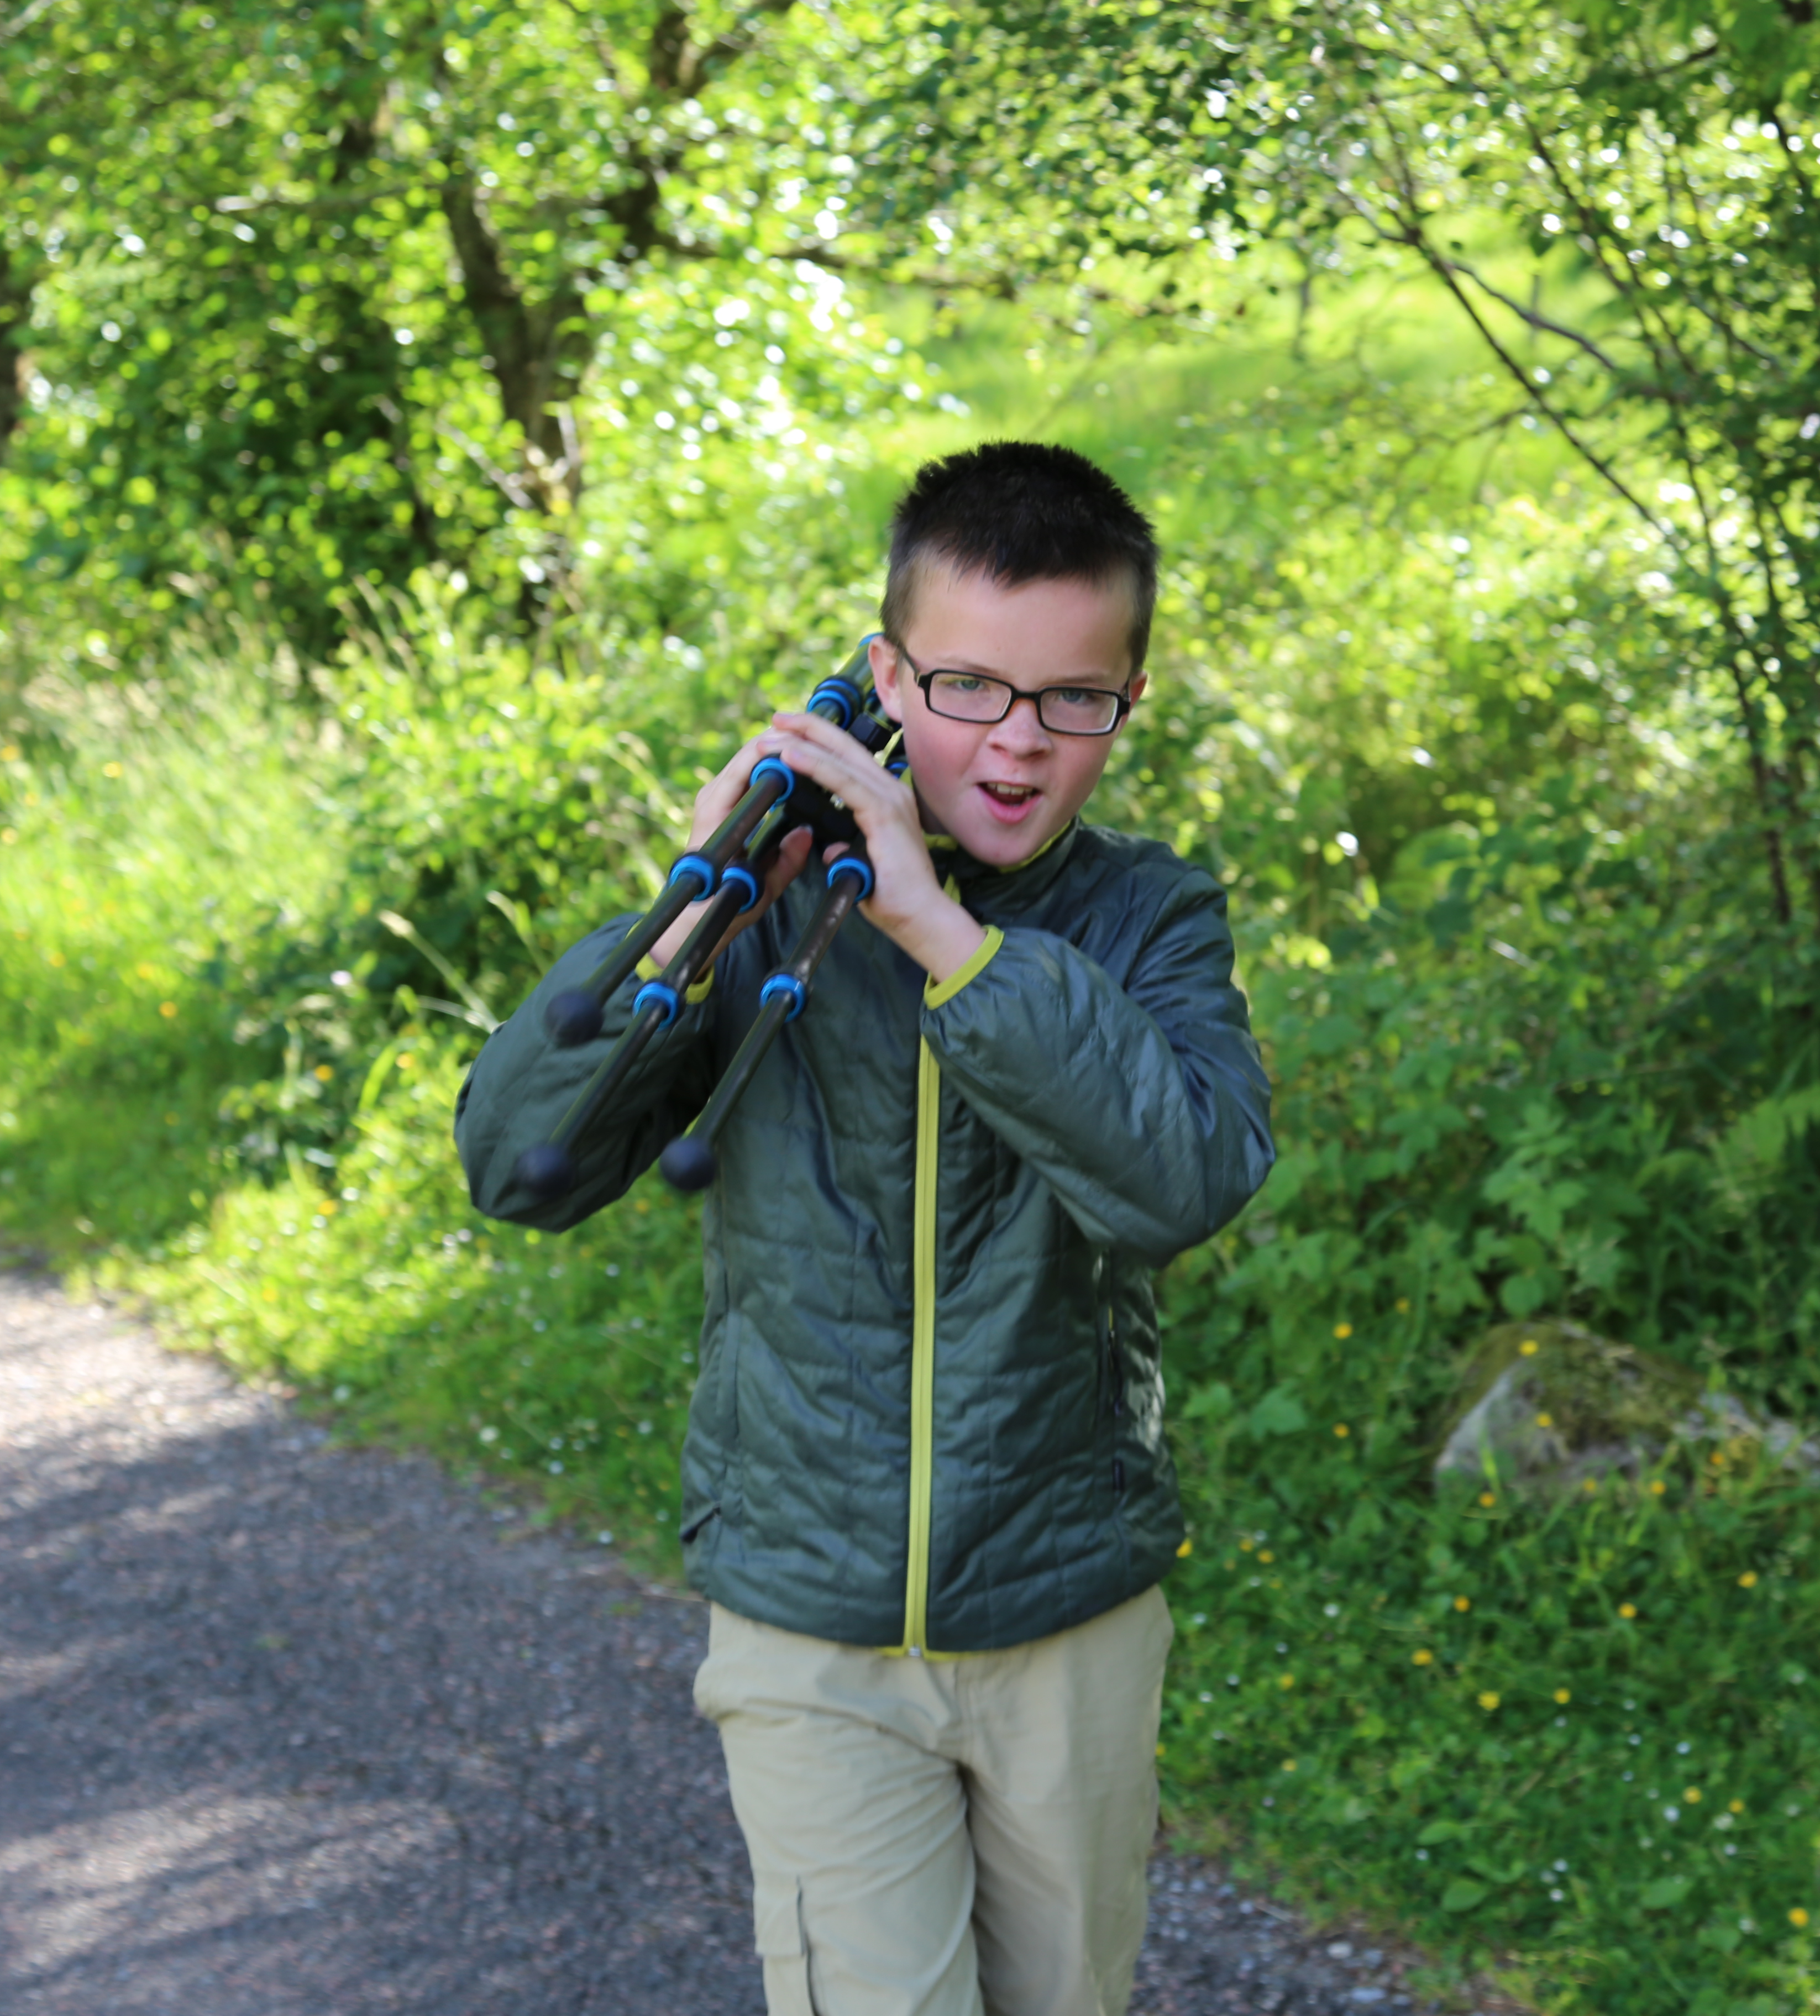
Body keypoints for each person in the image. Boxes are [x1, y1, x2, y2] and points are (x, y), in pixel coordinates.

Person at [455, 440, 1274, 2016]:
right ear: (888, 678)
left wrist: (942, 933)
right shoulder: (769, 902)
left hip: (1068, 1624)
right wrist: (686, 915)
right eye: (969, 688)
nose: (1018, 746)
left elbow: (1185, 1178)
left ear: (1130, 699)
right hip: (810, 1631)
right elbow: (521, 1164)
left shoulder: (1147, 917)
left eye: (1073, 701)